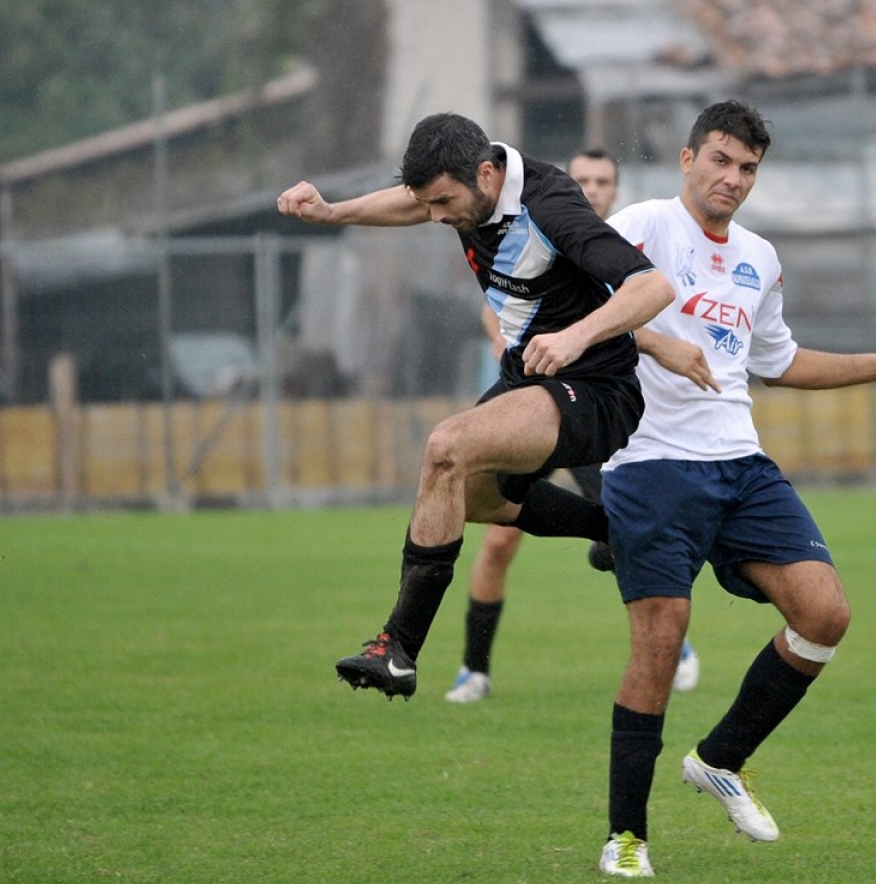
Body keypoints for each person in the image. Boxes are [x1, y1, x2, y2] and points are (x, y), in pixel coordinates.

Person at [594, 101, 876, 877]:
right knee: (660, 644)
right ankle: (626, 837)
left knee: (825, 612)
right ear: (689, 159)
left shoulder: (759, 256)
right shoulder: (645, 226)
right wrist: (656, 340)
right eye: (722, 160)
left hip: (740, 462)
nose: (734, 178)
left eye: (749, 168)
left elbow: (780, 362)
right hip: (650, 462)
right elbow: (581, 307)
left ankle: (723, 757)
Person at [276, 113, 675, 702]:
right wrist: (333, 212)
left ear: (486, 174)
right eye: (429, 202)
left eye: (443, 202)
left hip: (597, 386)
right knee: (476, 497)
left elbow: (654, 287)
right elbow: (414, 204)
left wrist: (574, 337)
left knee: (446, 447)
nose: (436, 217)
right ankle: (615, 529)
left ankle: (398, 648)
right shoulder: (466, 187)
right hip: (529, 377)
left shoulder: (551, 205)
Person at [446, 148, 702, 704]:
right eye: (581, 178)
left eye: (602, 180)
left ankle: (674, 647)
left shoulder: (611, 247)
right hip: (527, 400)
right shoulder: (540, 227)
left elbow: (626, 314)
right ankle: (474, 669)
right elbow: (497, 298)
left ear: (616, 188)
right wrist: (500, 329)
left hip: (583, 407)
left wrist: (662, 348)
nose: (590, 188)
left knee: (617, 526)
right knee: (497, 541)